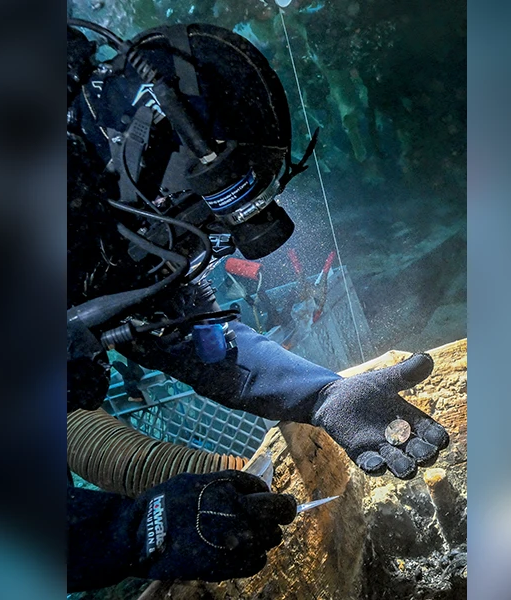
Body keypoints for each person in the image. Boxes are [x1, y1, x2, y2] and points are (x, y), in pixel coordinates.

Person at [67, 19, 451, 591]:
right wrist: (132, 532)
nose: (201, 247)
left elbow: (197, 340)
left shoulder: (110, 235)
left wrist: (321, 393)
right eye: (192, 220)